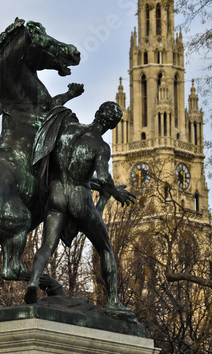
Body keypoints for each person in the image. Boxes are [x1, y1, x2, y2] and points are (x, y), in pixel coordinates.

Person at [25, 101, 136, 308]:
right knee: (105, 249)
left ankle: (33, 281)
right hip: (79, 197)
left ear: (96, 113)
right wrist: (116, 194)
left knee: (47, 246)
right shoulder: (100, 146)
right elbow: (103, 178)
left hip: (56, 192)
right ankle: (113, 301)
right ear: (112, 126)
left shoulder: (68, 129)